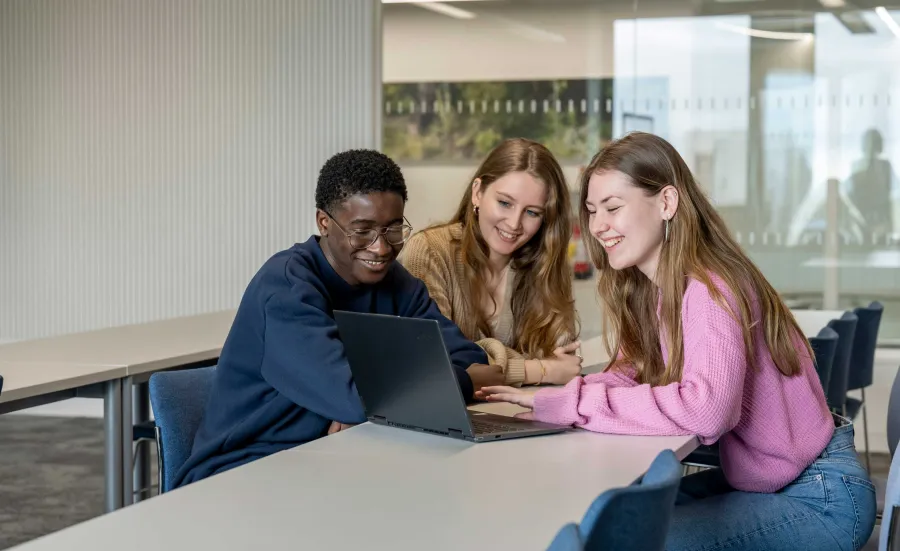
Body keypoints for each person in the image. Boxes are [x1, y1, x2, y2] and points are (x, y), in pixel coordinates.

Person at [478, 132, 876, 550]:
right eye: (592, 210)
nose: (597, 226)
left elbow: (706, 411)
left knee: (623, 541)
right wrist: (552, 399)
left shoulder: (709, 287)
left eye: (613, 208)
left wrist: (574, 404)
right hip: (777, 483)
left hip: (820, 497)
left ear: (667, 203)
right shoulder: (657, 290)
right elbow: (628, 376)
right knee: (607, 522)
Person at [174, 149, 502, 489]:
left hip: (336, 455)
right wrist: (454, 385)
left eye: (393, 229)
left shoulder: (396, 284)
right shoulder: (286, 289)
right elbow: (357, 400)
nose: (381, 248)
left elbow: (470, 359)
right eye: (362, 231)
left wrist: (368, 409)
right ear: (324, 222)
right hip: (242, 471)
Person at [398, 138, 581, 388]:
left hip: (516, 413)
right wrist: (537, 369)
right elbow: (434, 363)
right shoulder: (429, 251)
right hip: (449, 418)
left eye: (532, 212)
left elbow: (563, 361)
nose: (514, 224)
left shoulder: (544, 262)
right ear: (478, 192)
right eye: (505, 203)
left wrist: (544, 368)